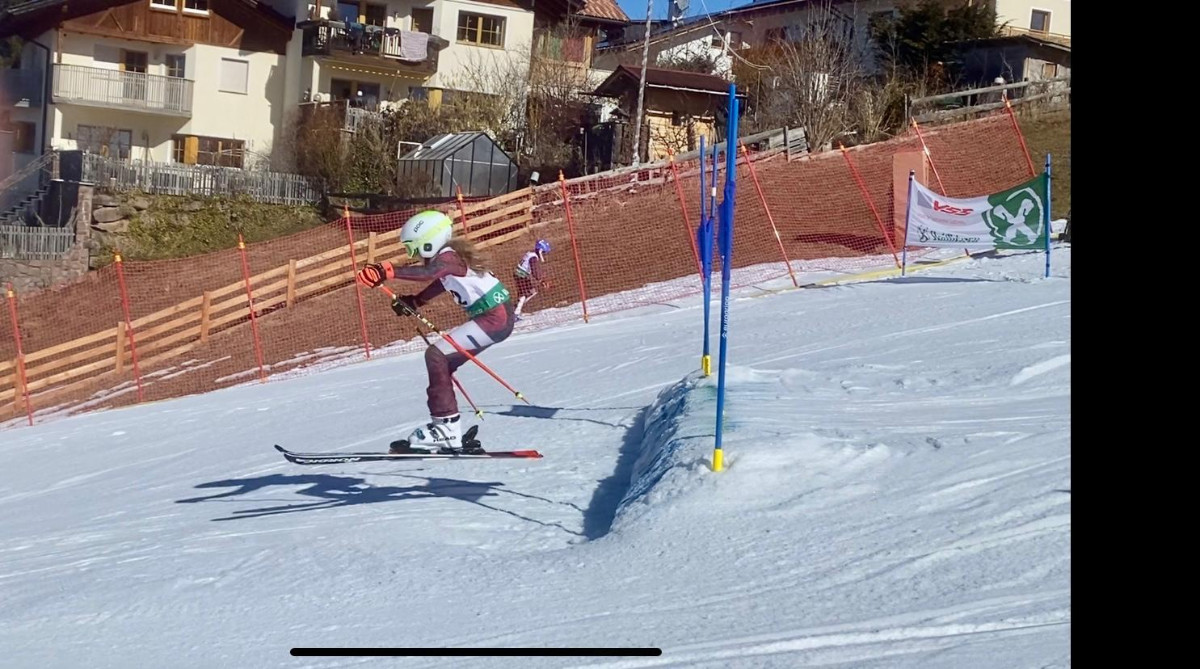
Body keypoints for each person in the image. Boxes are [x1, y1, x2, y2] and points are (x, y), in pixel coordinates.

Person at [355, 210, 515, 454]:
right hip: (495, 317)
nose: (414, 255)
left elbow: (429, 274)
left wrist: (386, 270)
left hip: (494, 318)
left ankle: (446, 430)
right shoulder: (450, 259)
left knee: (436, 355)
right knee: (441, 360)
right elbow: (441, 281)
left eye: (414, 248)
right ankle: (447, 428)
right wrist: (416, 301)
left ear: (429, 242)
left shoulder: (448, 257)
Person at [513, 239, 551, 319]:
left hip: (521, 275)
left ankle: (516, 308)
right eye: (544, 253)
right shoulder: (533, 258)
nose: (544, 255)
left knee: (532, 292)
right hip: (521, 276)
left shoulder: (531, 254)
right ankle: (515, 313)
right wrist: (541, 280)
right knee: (525, 294)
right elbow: (535, 270)